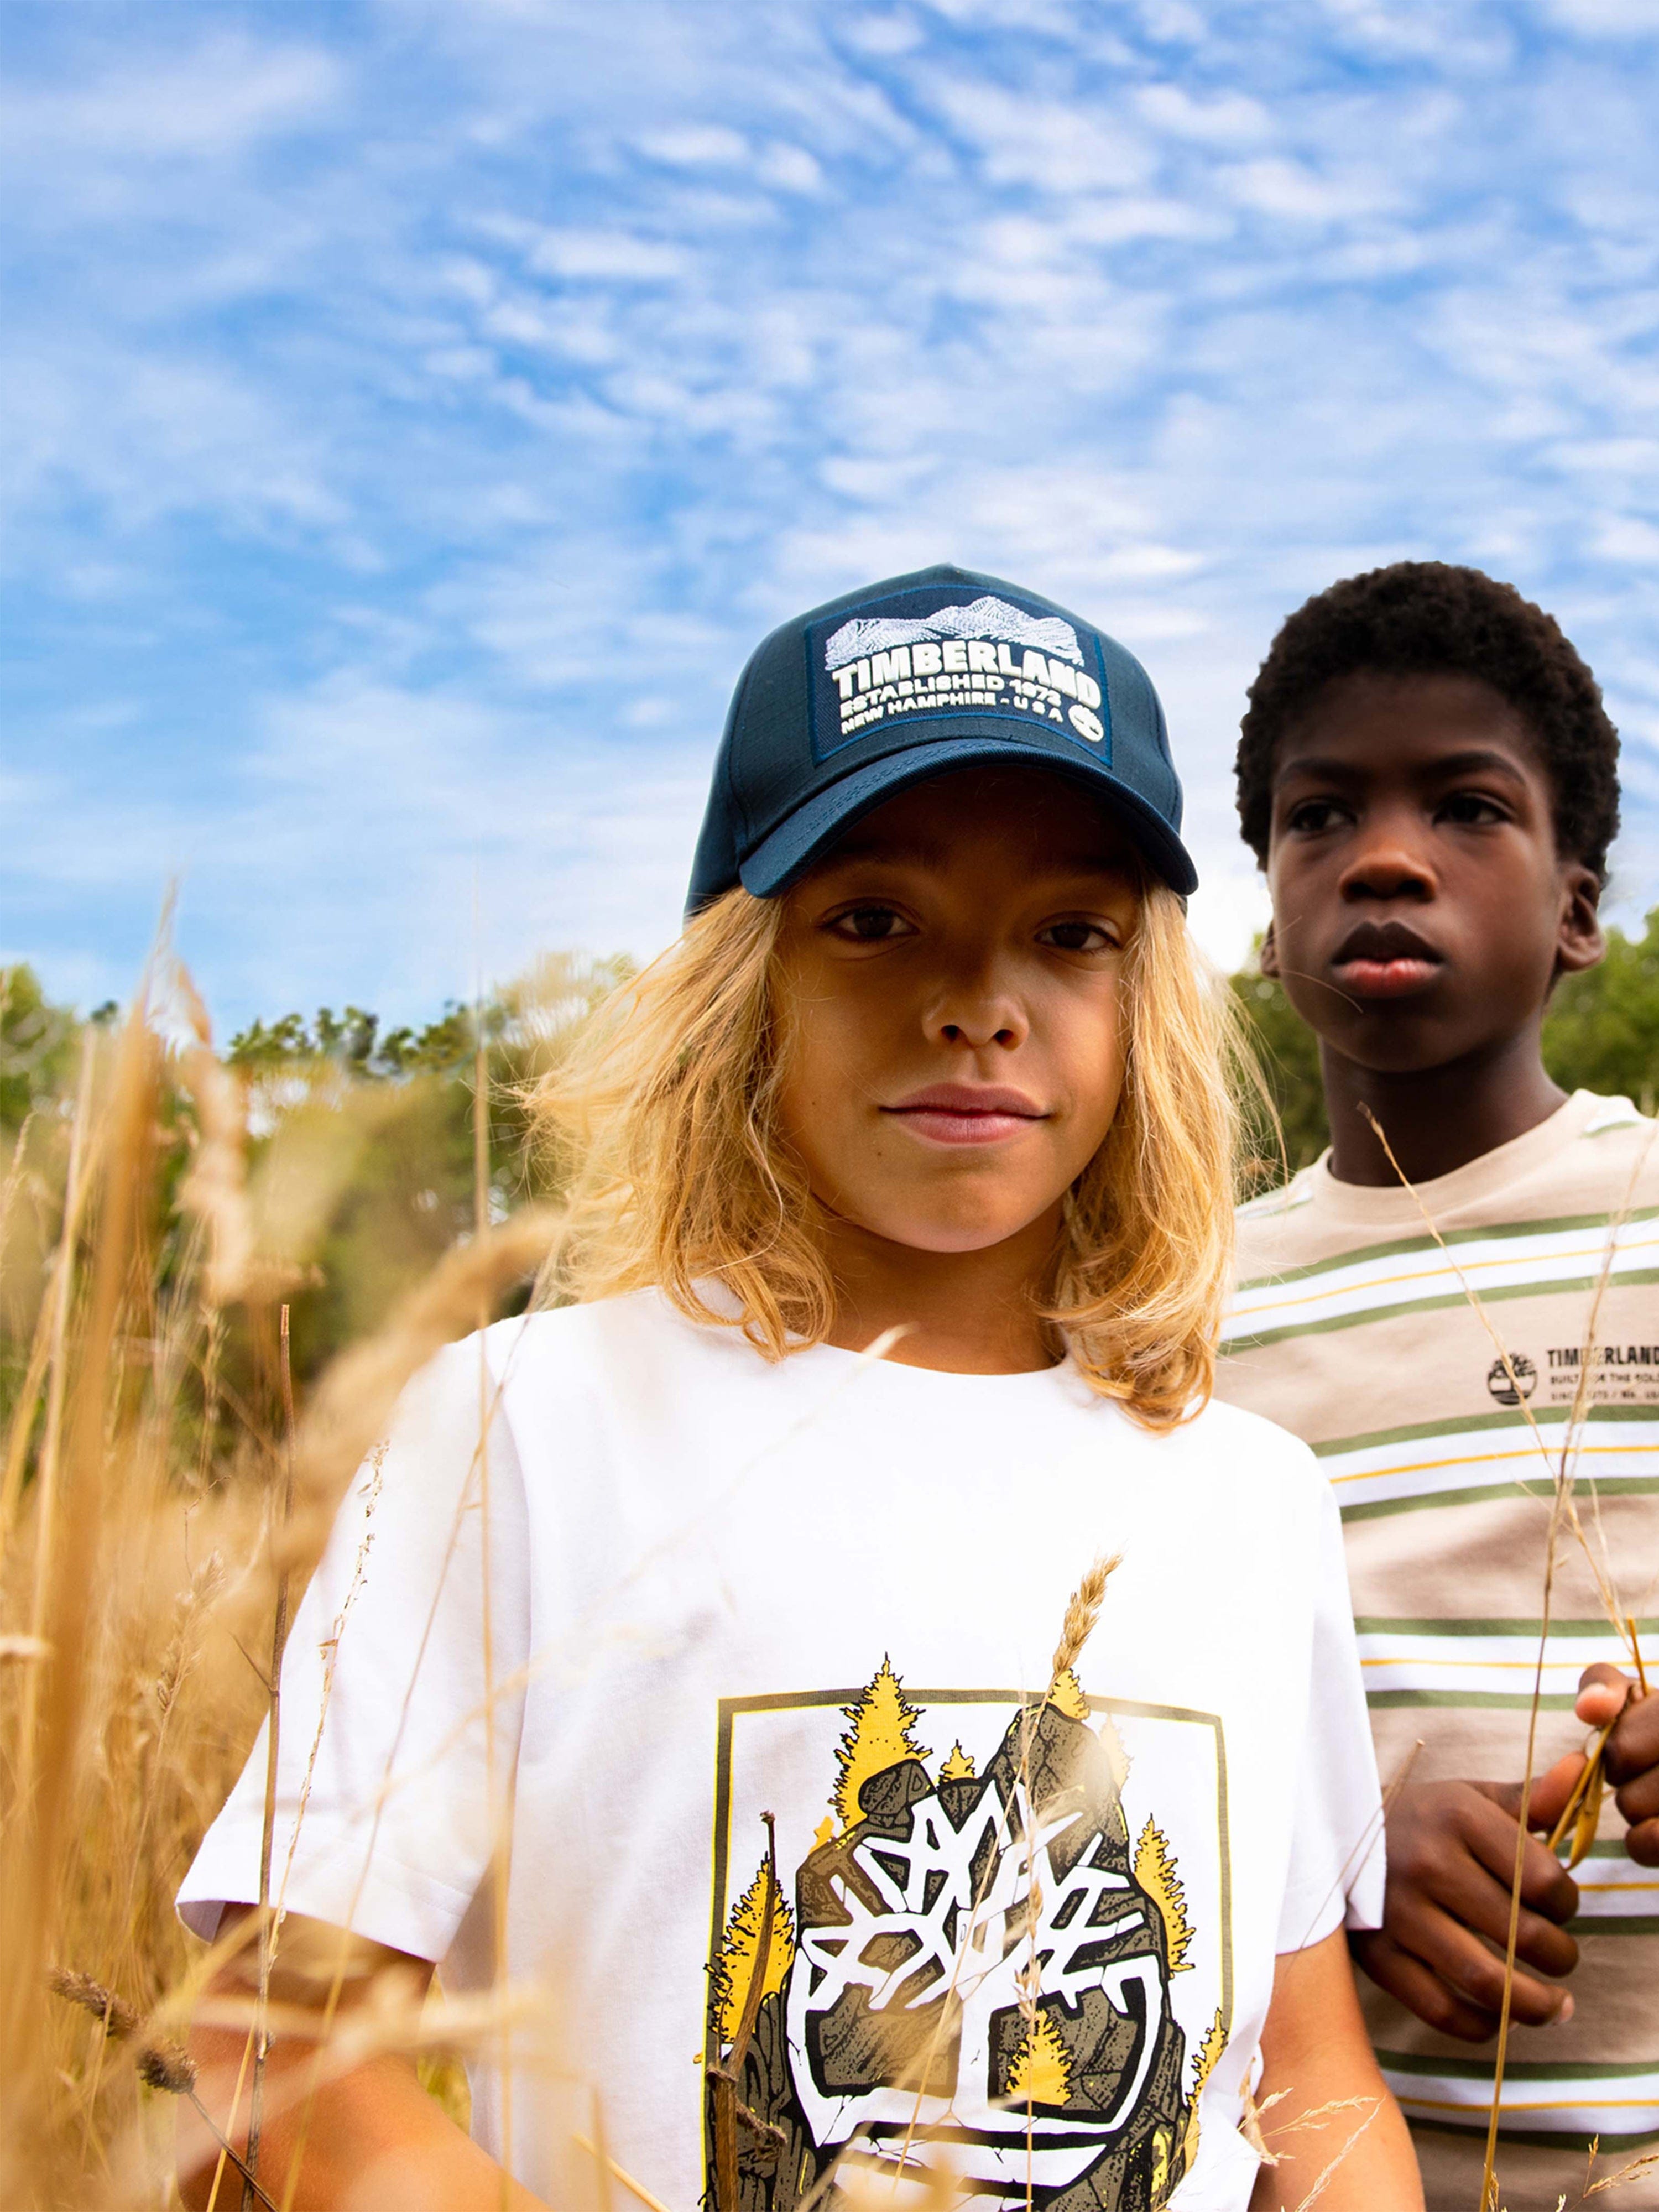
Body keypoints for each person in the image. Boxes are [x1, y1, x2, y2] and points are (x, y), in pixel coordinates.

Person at [178, 564, 1418, 2212]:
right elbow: (278, 2031)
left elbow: (1308, 2076)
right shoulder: (527, 1427)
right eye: (874, 919)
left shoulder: (1251, 1495)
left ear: (1148, 1009)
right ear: (741, 983)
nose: (979, 1001)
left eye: (1070, 935)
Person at [1215, 560, 1659, 2210]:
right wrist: (1336, 1866)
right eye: (1319, 818)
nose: (1384, 857)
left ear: (1576, 905)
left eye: (1468, 809)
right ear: (1270, 919)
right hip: (1337, 2167)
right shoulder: (1168, 1316)